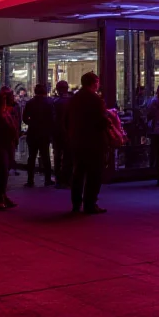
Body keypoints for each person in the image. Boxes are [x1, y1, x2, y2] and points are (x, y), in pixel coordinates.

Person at [68, 72, 110, 214]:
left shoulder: (74, 99)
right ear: (94, 83)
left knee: (78, 173)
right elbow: (101, 121)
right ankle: (90, 203)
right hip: (94, 142)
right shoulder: (96, 100)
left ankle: (76, 203)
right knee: (94, 174)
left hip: (77, 141)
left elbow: (66, 120)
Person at [23, 84, 55, 188]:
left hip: (33, 132)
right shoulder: (50, 103)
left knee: (31, 157)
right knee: (45, 156)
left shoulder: (30, 103)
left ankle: (30, 180)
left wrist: (32, 122)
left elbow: (24, 118)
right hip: (44, 133)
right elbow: (53, 118)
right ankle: (47, 179)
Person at [52, 80, 73, 188]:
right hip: (68, 132)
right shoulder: (71, 101)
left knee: (57, 156)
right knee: (68, 156)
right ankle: (66, 178)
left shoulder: (55, 102)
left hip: (57, 133)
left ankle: (58, 179)